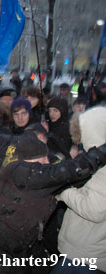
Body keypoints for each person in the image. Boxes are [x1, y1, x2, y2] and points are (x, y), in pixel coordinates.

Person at [0, 132, 106, 274]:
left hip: (15, 247)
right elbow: (67, 172)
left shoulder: (36, 178)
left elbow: (71, 177)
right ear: (27, 161)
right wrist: (100, 154)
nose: (47, 162)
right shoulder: (18, 171)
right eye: (42, 159)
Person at [54, 107, 106, 273]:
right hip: (84, 252)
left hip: (84, 257)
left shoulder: (103, 170)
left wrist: (65, 192)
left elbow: (95, 210)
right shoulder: (97, 162)